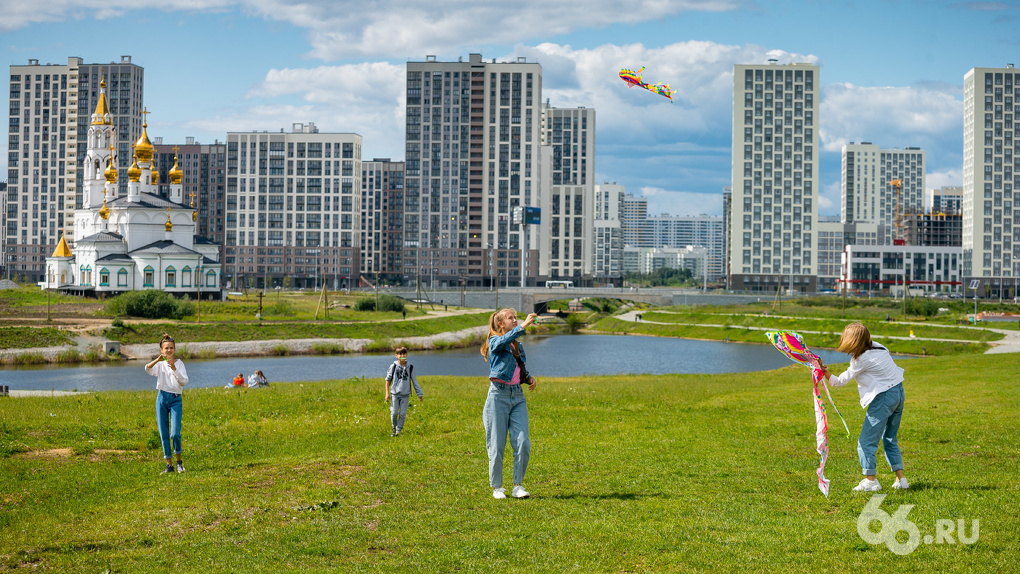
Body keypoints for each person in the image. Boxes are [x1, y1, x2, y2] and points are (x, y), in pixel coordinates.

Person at [819, 322, 908, 492]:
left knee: (865, 442)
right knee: (889, 438)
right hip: (898, 392)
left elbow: (839, 382)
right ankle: (901, 480)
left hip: (883, 398)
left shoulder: (861, 360)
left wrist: (824, 372)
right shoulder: (879, 347)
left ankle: (871, 480)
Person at [480, 308, 538, 500]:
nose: (514, 320)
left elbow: (519, 368)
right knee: (496, 446)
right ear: (500, 324)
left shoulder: (518, 346)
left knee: (523, 442)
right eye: (510, 318)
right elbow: (503, 341)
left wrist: (528, 378)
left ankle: (517, 486)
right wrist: (524, 325)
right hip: (498, 396)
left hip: (517, 396)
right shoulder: (495, 341)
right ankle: (497, 488)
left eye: (516, 317)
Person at [145, 332, 189, 474]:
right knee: (163, 432)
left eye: (171, 348)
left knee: (175, 433)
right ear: (161, 350)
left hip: (176, 399)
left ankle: (179, 462)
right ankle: (169, 465)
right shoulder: (160, 364)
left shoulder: (179, 364)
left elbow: (184, 381)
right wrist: (157, 360)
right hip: (162, 398)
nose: (169, 350)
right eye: (166, 348)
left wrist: (174, 369)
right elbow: (148, 369)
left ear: (174, 349)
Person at [384, 346, 423, 436]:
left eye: (404, 353)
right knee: (394, 413)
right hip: (395, 393)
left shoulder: (410, 367)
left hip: (405, 394)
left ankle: (398, 430)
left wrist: (419, 393)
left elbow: (414, 381)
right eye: (400, 354)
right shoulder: (393, 366)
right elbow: (388, 380)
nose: (402, 355)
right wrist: (387, 393)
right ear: (396, 355)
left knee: (402, 414)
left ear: (406, 355)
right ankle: (394, 428)